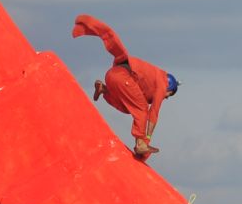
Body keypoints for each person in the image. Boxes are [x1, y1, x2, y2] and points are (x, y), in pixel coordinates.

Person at [71, 13, 178, 161]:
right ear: (169, 87)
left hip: (113, 77)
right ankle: (139, 143)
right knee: (141, 109)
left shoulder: (153, 80)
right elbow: (153, 113)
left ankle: (104, 90)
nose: (165, 97)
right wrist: (146, 140)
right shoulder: (162, 83)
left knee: (130, 108)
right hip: (122, 77)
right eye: (168, 95)